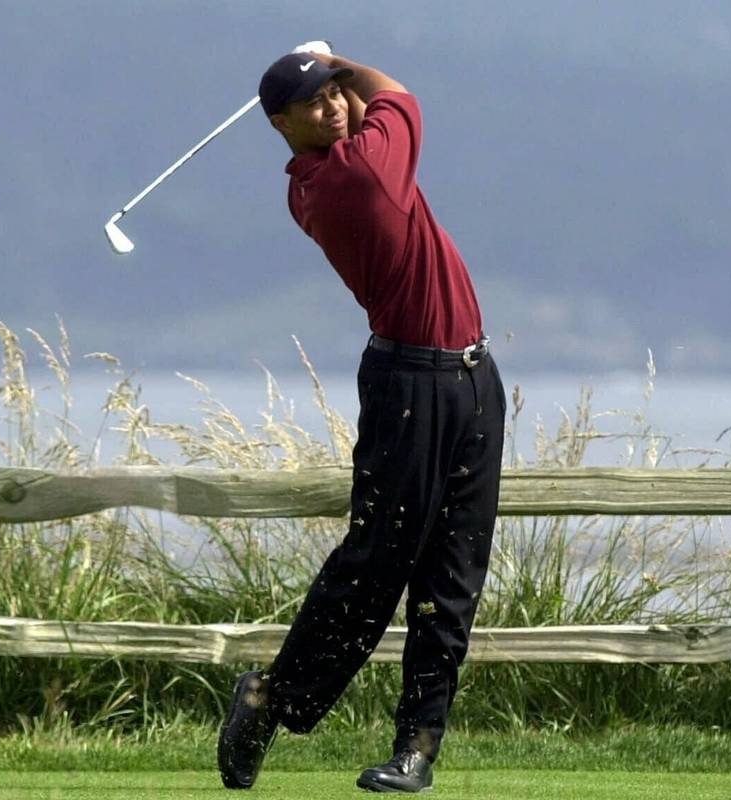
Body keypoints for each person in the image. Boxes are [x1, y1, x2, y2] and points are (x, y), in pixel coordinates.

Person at [217, 43, 506, 794]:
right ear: (282, 124)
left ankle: (416, 748)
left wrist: (332, 71)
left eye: (338, 93)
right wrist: (342, 57)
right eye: (315, 103)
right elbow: (400, 95)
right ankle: (270, 697)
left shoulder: (322, 173)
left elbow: (378, 103)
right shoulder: (355, 174)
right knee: (377, 562)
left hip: (473, 377)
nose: (336, 106)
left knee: (453, 575)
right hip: (410, 383)